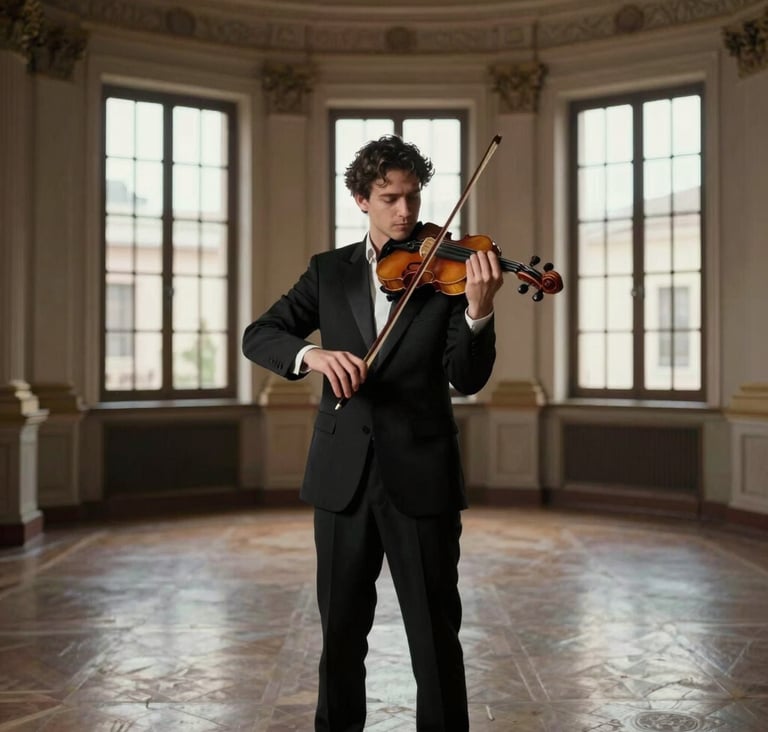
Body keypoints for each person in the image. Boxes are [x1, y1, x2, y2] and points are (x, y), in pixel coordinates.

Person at [242, 134, 504, 732]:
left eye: (412, 197)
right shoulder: (328, 271)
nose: (406, 213)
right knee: (339, 637)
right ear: (361, 199)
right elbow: (260, 334)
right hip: (342, 480)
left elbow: (466, 378)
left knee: (435, 638)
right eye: (390, 198)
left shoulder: (452, 269)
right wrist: (311, 357)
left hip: (422, 474)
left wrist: (479, 312)